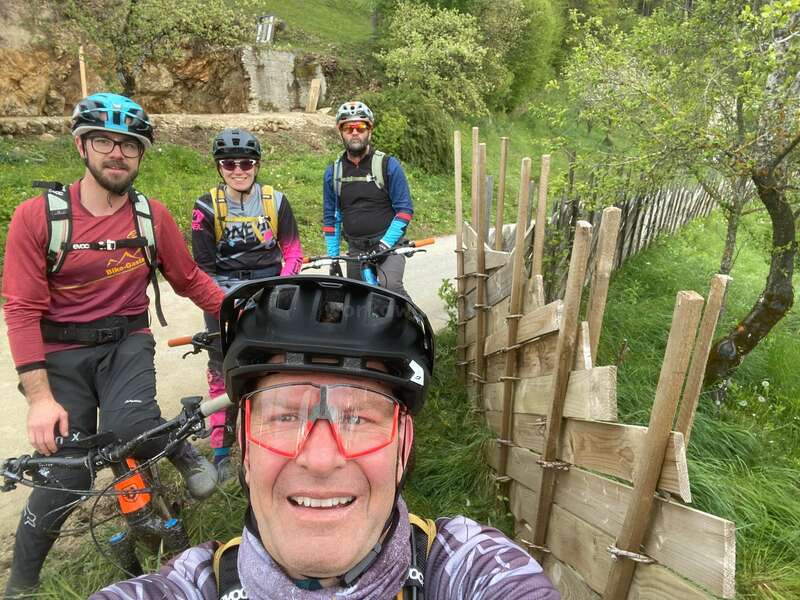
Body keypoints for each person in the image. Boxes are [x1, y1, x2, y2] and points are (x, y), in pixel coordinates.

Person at [90, 276, 561, 599]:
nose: (319, 459)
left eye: (358, 418)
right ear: (244, 447)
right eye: (282, 414)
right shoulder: (189, 586)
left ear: (404, 446)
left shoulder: (468, 566)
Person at [2, 92, 225, 598]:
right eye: (104, 140)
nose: (117, 153)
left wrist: (240, 316)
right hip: (59, 355)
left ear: (141, 154)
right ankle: (22, 586)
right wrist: (40, 399)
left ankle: (180, 454)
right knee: (66, 475)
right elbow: (19, 311)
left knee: (130, 425)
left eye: (129, 144)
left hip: (126, 341)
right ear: (82, 147)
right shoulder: (38, 218)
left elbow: (190, 279)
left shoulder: (151, 217)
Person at [191, 128, 304, 482]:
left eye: (246, 163)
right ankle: (222, 450)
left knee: (274, 364)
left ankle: (275, 436)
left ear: (256, 165)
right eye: (229, 164)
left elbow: (293, 252)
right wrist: (227, 303)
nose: (238, 170)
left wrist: (282, 287)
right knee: (220, 369)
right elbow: (203, 269)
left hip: (269, 289)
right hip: (221, 294)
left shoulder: (276, 201)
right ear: (219, 167)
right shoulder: (206, 207)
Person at [322, 101, 414, 297]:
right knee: (355, 299)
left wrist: (384, 245)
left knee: (391, 289)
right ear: (341, 133)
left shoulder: (388, 165)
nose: (355, 132)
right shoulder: (333, 173)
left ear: (369, 131)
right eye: (348, 128)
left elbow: (404, 211)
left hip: (388, 246)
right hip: (356, 248)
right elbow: (331, 218)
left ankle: (415, 324)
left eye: (361, 127)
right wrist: (333, 259)